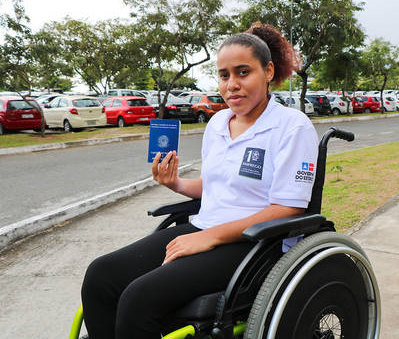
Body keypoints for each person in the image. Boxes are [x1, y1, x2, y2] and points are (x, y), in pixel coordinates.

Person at [80, 22, 319, 339]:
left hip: (257, 244)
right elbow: (213, 186)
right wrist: (175, 183)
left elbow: (288, 209)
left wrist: (212, 237)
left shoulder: (292, 126)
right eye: (224, 75)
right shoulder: (219, 123)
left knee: (139, 298)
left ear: (269, 71)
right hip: (205, 228)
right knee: (100, 277)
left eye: (243, 72)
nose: (232, 84)